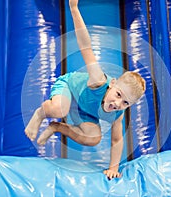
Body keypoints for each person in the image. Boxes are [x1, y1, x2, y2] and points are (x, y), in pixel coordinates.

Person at [25, 0, 146, 180]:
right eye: (119, 95)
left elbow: (117, 140)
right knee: (59, 109)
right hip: (69, 89)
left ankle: (56, 127)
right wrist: (74, 9)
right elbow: (86, 46)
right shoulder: (98, 80)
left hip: (82, 111)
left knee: (94, 138)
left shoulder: (117, 115)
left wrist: (113, 168)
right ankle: (40, 114)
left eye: (125, 103)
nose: (117, 103)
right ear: (112, 84)